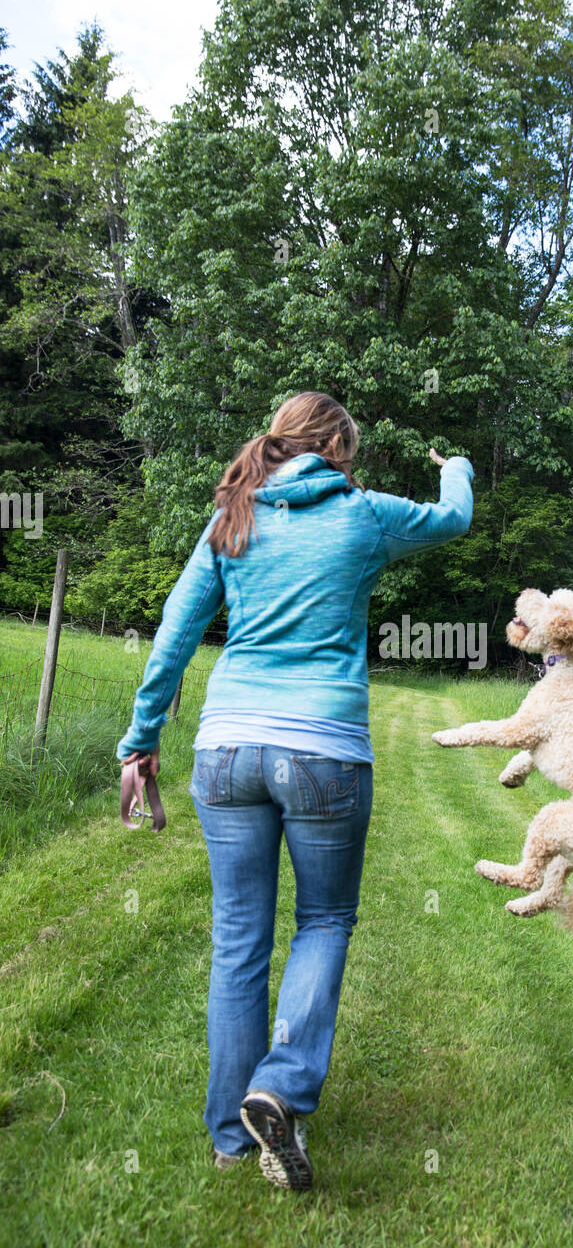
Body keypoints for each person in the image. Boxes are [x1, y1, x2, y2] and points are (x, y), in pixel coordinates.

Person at [116, 391, 474, 1190]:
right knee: (324, 919)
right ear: (338, 445)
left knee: (239, 937)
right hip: (323, 752)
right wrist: (458, 470)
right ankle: (278, 1085)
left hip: (228, 749)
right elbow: (455, 520)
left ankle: (230, 1137)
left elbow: (175, 632)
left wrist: (141, 739)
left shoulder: (232, 517)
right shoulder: (365, 513)